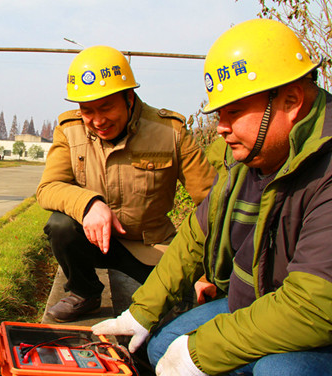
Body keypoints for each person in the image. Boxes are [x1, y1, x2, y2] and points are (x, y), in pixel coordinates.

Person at [92, 18, 332, 376]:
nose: (221, 127)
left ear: (292, 100)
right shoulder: (255, 155)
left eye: (233, 112)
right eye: (219, 114)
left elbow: (314, 306)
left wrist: (200, 353)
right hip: (255, 303)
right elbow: (197, 233)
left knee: (279, 371)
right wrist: (140, 312)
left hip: (314, 321)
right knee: (161, 346)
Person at [36, 45, 216, 323]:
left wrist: (207, 273)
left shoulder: (170, 133)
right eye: (87, 110)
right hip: (92, 242)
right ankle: (84, 292)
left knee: (177, 316)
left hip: (151, 248)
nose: (98, 121)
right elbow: (48, 188)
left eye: (107, 107)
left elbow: (211, 204)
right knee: (61, 225)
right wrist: (89, 204)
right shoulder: (69, 131)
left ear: (129, 98)